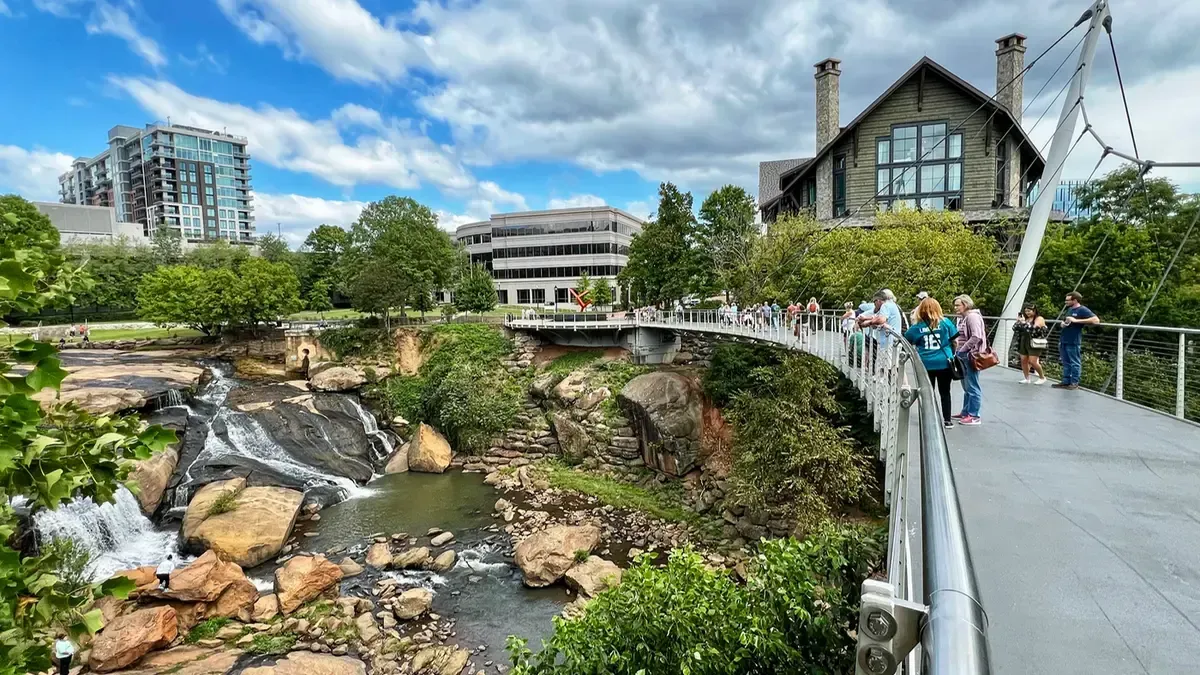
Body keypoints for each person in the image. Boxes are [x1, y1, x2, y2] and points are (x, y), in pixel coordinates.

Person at [904, 297, 960, 428]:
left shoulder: (917, 327)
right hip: (944, 362)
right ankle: (947, 420)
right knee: (945, 391)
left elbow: (907, 340)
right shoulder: (946, 323)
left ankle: (928, 419)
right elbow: (955, 341)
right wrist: (952, 352)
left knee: (927, 392)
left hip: (926, 363)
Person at [1053, 291, 1100, 390]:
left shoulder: (1082, 310)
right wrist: (1063, 323)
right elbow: (1068, 321)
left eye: (1067, 300)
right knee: (1065, 362)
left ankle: (1074, 382)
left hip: (1073, 340)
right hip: (1064, 339)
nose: (1065, 302)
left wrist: (1076, 321)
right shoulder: (1069, 309)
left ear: (1075, 300)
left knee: (1074, 362)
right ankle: (1066, 381)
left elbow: (1096, 320)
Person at [953, 294, 987, 426]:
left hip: (969, 355)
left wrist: (963, 350)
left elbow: (976, 336)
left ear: (965, 305)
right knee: (967, 385)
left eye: (958, 305)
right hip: (964, 355)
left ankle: (974, 415)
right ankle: (966, 411)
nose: (955, 308)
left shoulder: (972, 317)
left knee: (972, 385)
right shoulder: (963, 318)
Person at [1013, 304, 1048, 385]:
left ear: (1034, 311)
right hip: (1023, 340)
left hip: (1034, 341)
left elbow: (1034, 329)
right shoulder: (1026, 319)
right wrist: (1018, 321)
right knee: (1023, 360)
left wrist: (1024, 323)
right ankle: (1027, 378)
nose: (1027, 313)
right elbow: (1015, 328)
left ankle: (1042, 377)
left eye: (1029, 311)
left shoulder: (1039, 319)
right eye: (1026, 311)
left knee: (1033, 361)